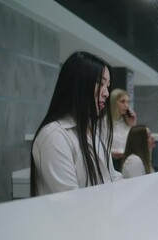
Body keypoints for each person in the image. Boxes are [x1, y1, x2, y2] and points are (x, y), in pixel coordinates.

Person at [30, 51, 122, 196]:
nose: (106, 93)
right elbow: (70, 202)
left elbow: (112, 178)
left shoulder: (95, 131)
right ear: (78, 84)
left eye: (108, 85)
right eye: (100, 83)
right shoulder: (54, 136)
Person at [109, 88, 137, 171]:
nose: (126, 105)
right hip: (111, 163)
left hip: (127, 162)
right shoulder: (104, 122)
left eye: (128, 102)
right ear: (114, 103)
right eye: (122, 101)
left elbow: (135, 146)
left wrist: (133, 125)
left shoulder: (127, 122)